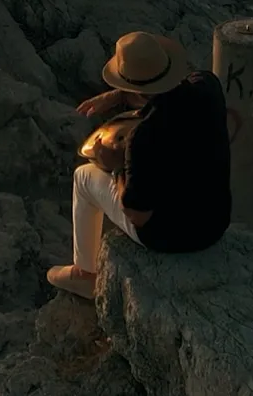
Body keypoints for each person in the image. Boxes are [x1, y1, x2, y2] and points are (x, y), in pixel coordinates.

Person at [46, 31, 231, 299]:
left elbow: (137, 213)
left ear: (135, 90)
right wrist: (118, 96)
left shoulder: (144, 137)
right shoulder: (208, 86)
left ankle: (85, 274)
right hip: (215, 220)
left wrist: (116, 165)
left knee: (83, 176)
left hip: (174, 238)